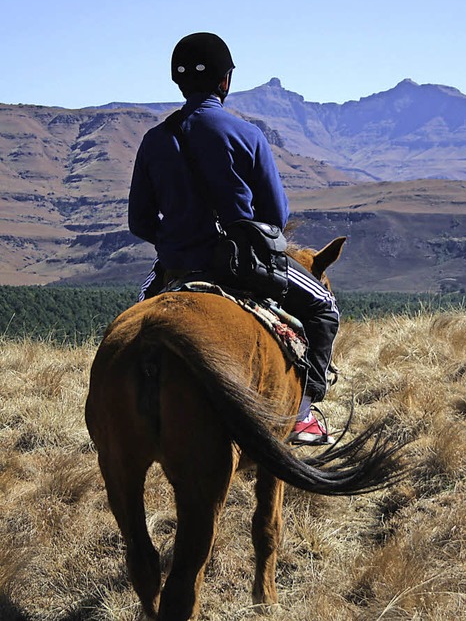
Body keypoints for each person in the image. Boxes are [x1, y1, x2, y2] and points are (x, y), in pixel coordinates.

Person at [128, 31, 338, 444]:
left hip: (177, 267)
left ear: (177, 81)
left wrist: (175, 239)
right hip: (244, 268)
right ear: (225, 81)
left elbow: (139, 222)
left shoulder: (154, 140)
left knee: (133, 327)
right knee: (323, 308)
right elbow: (276, 216)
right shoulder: (248, 135)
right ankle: (302, 413)